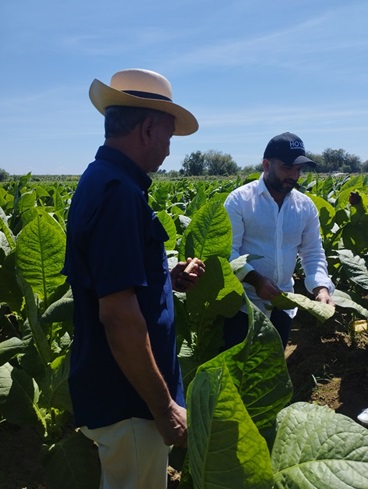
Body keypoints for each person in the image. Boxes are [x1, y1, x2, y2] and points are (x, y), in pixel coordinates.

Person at [62, 68, 205, 489]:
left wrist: (164, 277)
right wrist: (163, 409)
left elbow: (110, 279)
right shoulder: (119, 195)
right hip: (131, 402)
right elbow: (119, 317)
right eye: (168, 137)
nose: (167, 150)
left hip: (123, 390)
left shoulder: (103, 180)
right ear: (146, 129)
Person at [223, 132, 334, 349]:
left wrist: (321, 287)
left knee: (272, 376)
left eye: (298, 169)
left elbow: (312, 252)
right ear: (266, 165)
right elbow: (229, 252)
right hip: (242, 307)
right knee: (239, 377)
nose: (293, 175)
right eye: (287, 168)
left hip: (282, 307)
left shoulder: (305, 207)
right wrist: (256, 280)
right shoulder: (239, 201)